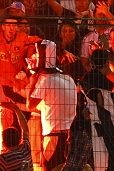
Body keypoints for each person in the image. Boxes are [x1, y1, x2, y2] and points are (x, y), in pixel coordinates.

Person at [27, 40, 77, 171]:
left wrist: (32, 82)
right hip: (71, 135)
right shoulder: (69, 78)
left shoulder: (46, 80)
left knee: (49, 168)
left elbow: (30, 105)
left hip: (54, 136)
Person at [0, 102, 32, 171]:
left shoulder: (3, 159)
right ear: (19, 140)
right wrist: (16, 109)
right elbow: (25, 130)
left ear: (3, 143)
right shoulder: (25, 149)